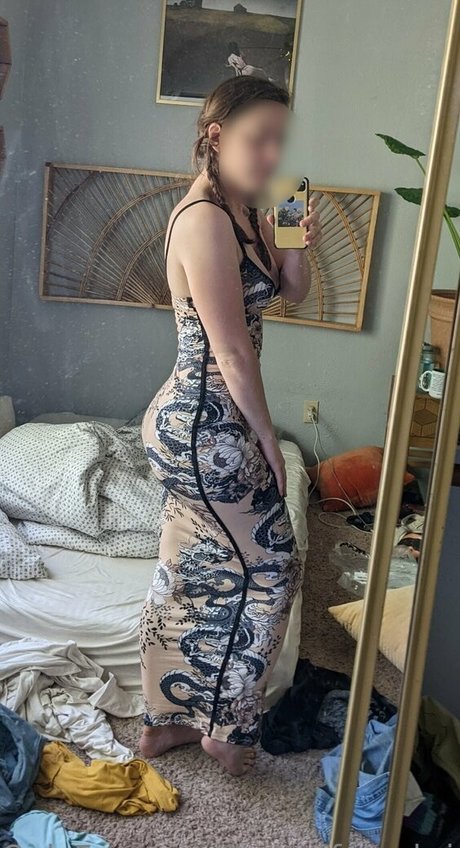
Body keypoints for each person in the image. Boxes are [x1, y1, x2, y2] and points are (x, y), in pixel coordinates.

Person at [139, 76, 322, 776]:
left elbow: (291, 291)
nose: (273, 154)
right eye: (258, 139)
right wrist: (268, 441)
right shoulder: (203, 220)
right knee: (274, 565)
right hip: (202, 424)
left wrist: (294, 242)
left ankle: (165, 725)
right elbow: (232, 351)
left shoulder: (244, 209)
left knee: (189, 569)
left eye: (280, 140)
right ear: (215, 136)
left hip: (208, 422)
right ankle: (225, 727)